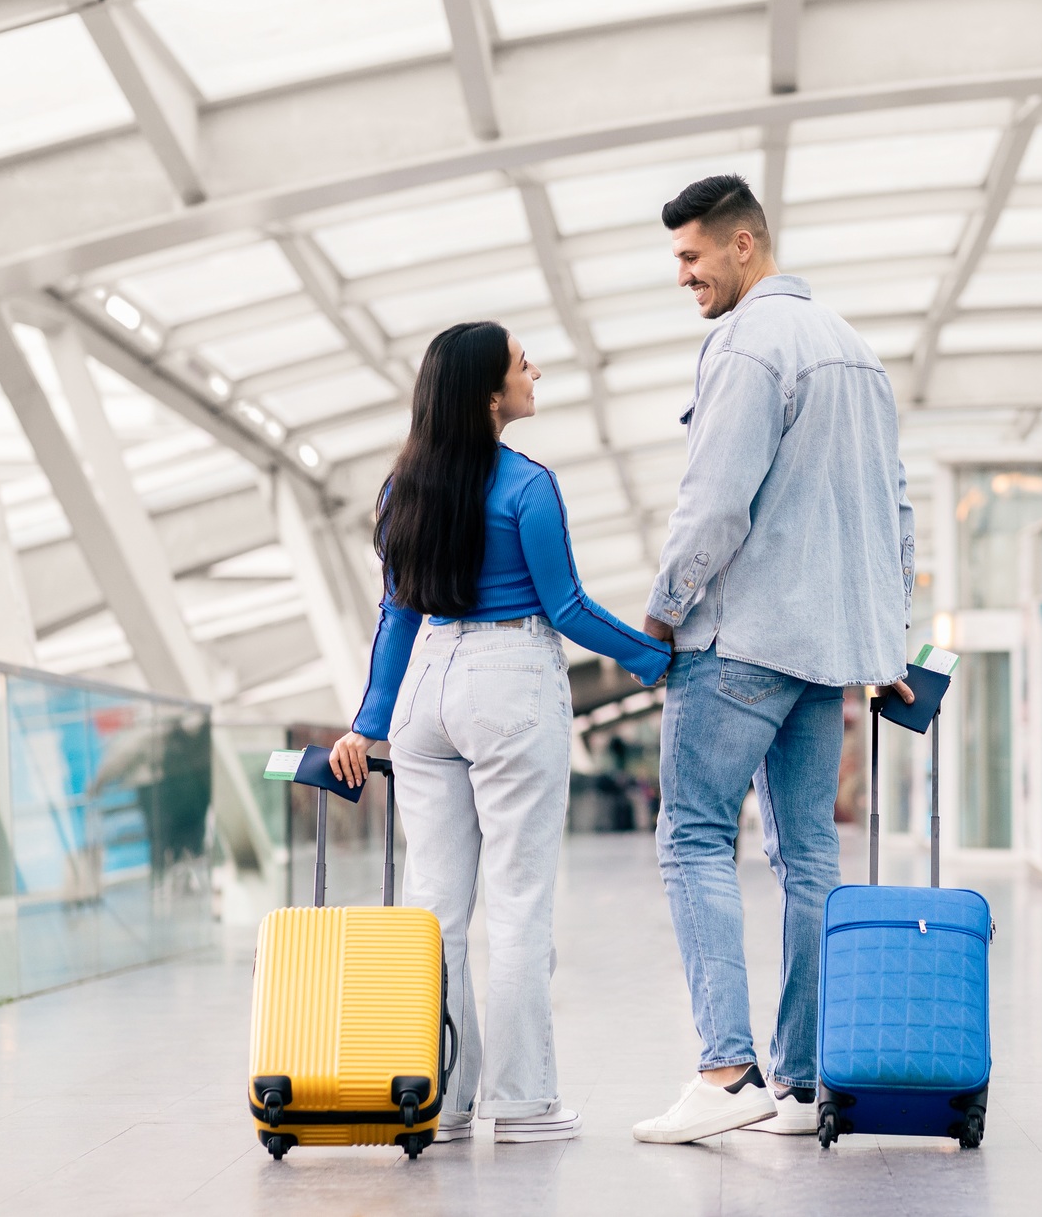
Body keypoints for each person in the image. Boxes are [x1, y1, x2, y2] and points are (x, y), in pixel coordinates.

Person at [330, 321, 671, 1146]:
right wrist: (651, 657)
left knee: (434, 911)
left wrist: (366, 726)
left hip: (425, 698)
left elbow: (397, 614)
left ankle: (438, 1101)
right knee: (518, 901)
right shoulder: (527, 485)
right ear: (490, 394)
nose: (536, 371)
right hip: (510, 680)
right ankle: (523, 1104)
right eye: (524, 364)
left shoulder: (398, 490)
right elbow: (566, 608)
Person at [631, 176, 915, 1145]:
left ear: (743, 245)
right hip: (825, 650)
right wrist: (889, 639)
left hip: (741, 638)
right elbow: (894, 510)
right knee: (808, 858)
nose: (683, 276)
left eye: (690, 256)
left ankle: (723, 1069)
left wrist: (664, 611)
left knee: (693, 836)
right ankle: (797, 1085)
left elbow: (713, 503)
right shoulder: (857, 353)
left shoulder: (747, 344)